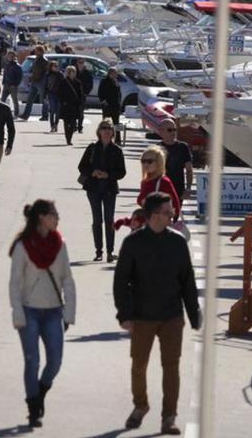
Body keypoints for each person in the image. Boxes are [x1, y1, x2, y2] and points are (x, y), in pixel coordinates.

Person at [113, 192, 201, 435]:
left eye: (171, 210)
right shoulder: (133, 243)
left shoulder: (177, 242)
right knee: (139, 365)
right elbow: (121, 282)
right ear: (152, 215)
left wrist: (193, 314)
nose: (172, 214)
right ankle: (140, 406)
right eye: (167, 211)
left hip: (172, 316)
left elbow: (187, 280)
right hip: (142, 316)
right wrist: (124, 314)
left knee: (171, 366)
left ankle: (169, 417)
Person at [9, 199, 76, 428]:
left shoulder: (60, 244)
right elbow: (15, 283)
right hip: (30, 311)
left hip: (54, 312)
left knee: (55, 361)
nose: (57, 219)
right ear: (41, 217)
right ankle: (33, 408)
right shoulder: (23, 246)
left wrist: (69, 313)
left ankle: (41, 391)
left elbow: (68, 279)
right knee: (32, 360)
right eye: (53, 215)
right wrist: (17, 313)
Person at [77, 119, 126, 262]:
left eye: (109, 128)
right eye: (104, 128)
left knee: (109, 220)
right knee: (97, 220)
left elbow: (122, 172)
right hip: (93, 189)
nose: (106, 131)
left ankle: (110, 252)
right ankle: (99, 251)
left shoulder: (117, 151)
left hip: (109, 189)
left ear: (112, 132)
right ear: (99, 132)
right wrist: (93, 172)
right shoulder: (92, 148)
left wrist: (108, 175)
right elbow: (82, 166)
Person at [137, 146, 181, 221]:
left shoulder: (164, 182)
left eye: (150, 161)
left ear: (159, 163)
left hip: (159, 225)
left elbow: (176, 208)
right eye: (143, 161)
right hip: (147, 224)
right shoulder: (145, 181)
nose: (146, 164)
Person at [158, 119, 194, 202]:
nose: (173, 132)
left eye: (175, 129)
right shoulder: (157, 148)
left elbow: (189, 170)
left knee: (175, 214)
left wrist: (188, 189)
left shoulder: (183, 147)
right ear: (161, 131)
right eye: (170, 130)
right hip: (160, 189)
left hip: (178, 189)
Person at [20, 45, 48, 121]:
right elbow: (34, 70)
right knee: (30, 99)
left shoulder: (44, 61)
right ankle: (25, 115)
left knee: (43, 100)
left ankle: (45, 115)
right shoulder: (36, 59)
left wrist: (42, 80)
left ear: (41, 52)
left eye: (37, 51)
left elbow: (46, 72)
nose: (35, 52)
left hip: (41, 82)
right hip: (34, 81)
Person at [58, 66, 83, 145]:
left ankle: (70, 137)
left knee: (72, 123)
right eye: (72, 72)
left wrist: (81, 102)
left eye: (74, 72)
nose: (74, 74)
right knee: (66, 122)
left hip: (75, 105)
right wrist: (63, 102)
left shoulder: (78, 82)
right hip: (66, 105)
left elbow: (80, 94)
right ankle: (67, 139)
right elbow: (60, 93)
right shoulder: (63, 82)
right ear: (68, 73)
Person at [98, 68, 123, 144]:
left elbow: (119, 93)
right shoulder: (104, 81)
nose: (116, 75)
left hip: (115, 106)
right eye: (114, 73)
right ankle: (102, 138)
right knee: (105, 124)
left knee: (116, 123)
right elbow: (100, 92)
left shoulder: (116, 82)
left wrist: (119, 102)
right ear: (110, 73)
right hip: (107, 106)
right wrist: (103, 101)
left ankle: (118, 139)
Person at [74, 58, 94, 134]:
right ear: (77, 63)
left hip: (82, 95)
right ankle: (74, 126)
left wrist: (86, 93)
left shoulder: (87, 73)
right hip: (74, 94)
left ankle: (80, 127)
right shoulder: (74, 72)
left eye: (82, 62)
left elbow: (90, 84)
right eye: (79, 62)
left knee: (81, 112)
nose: (80, 64)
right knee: (73, 111)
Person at [1, 51, 22, 117]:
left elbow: (20, 77)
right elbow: (5, 74)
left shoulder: (17, 66)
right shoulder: (7, 65)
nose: (10, 57)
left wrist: (15, 84)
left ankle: (16, 113)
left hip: (13, 86)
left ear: (14, 57)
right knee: (2, 100)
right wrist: (3, 82)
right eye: (9, 56)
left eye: (11, 56)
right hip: (6, 85)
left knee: (15, 100)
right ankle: (1, 112)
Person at [45, 61, 64, 133]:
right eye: (54, 66)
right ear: (51, 67)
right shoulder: (48, 75)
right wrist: (45, 96)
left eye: (57, 66)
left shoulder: (60, 75)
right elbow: (45, 86)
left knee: (58, 111)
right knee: (52, 110)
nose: (56, 67)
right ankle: (52, 125)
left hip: (59, 95)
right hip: (51, 94)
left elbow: (63, 85)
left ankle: (56, 124)